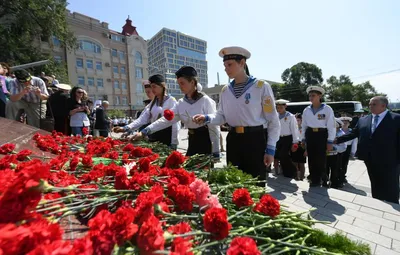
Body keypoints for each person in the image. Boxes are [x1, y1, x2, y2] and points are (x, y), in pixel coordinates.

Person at [193, 46, 280, 184]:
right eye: (224, 65)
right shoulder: (225, 90)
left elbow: (273, 121)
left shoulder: (261, 87)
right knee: (234, 182)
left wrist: (270, 149)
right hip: (233, 140)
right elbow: (222, 116)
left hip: (255, 140)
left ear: (242, 63)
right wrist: (207, 118)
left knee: (255, 183)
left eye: (229, 64)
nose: (226, 68)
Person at [131, 66, 220, 157]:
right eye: (179, 84)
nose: (180, 87)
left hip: (205, 141)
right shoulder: (181, 103)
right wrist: (145, 131)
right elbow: (165, 120)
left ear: (192, 82)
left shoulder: (205, 101)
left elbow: (214, 126)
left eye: (182, 83)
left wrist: (216, 151)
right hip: (192, 139)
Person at [337, 96, 400, 204]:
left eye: (374, 104)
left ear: (383, 106)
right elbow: (353, 134)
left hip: (390, 159)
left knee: (391, 184)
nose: (370, 106)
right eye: (370, 104)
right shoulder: (363, 120)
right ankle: (378, 201)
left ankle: (393, 205)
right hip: (369, 157)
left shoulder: (396, 119)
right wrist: (336, 140)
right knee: (375, 181)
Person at [114, 74, 179, 148]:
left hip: (167, 136)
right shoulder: (153, 103)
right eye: (151, 87)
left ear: (162, 86)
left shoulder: (171, 101)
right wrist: (126, 128)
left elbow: (175, 124)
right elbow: (142, 119)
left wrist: (174, 142)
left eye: (154, 86)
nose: (152, 90)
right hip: (153, 134)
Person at [301, 86, 336, 187]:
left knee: (321, 158)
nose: (311, 97)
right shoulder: (306, 110)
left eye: (313, 95)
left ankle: (323, 178)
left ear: (320, 96)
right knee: (311, 158)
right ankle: (314, 179)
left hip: (322, 135)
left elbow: (331, 126)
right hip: (310, 134)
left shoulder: (327, 109)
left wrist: (330, 141)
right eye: (310, 96)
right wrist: (303, 138)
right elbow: (304, 125)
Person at [274, 99, 300, 178]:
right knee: (280, 156)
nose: (279, 109)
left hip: (287, 138)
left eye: (281, 107)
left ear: (285, 106)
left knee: (284, 154)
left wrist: (295, 141)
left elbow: (294, 129)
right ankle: (286, 172)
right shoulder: (275, 116)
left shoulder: (290, 116)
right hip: (278, 138)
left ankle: (293, 170)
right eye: (277, 108)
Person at [324, 118, 346, 188]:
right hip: (326, 155)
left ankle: (334, 183)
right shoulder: (326, 133)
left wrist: (335, 148)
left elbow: (343, 147)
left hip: (336, 155)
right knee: (325, 169)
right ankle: (324, 182)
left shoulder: (341, 134)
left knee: (335, 170)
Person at [339, 116, 358, 183]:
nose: (345, 123)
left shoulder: (351, 132)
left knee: (344, 163)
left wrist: (353, 152)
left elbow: (354, 142)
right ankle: (337, 175)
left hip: (347, 149)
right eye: (343, 122)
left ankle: (343, 176)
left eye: (346, 122)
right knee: (338, 163)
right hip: (339, 149)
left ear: (349, 124)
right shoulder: (338, 131)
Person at [291, 113, 306, 180]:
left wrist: (306, 149)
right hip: (295, 144)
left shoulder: (304, 128)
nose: (297, 122)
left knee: (301, 163)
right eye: (296, 120)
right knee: (294, 162)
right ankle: (296, 176)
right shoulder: (293, 128)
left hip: (302, 145)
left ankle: (302, 177)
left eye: (298, 120)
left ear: (301, 120)